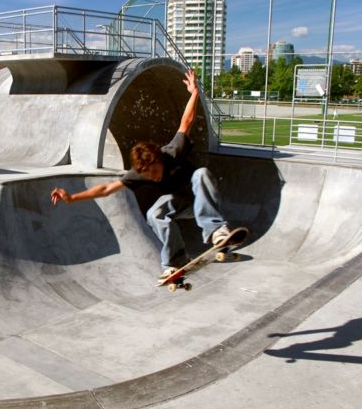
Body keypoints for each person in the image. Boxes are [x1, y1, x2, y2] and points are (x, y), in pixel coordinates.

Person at [50, 69, 231, 280]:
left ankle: (216, 230)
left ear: (158, 159)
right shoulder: (140, 173)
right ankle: (176, 259)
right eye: (148, 175)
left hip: (199, 198)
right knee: (154, 214)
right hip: (180, 203)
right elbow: (107, 188)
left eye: (154, 172)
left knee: (201, 174)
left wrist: (194, 93)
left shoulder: (174, 151)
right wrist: (72, 198)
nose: (153, 177)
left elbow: (186, 122)